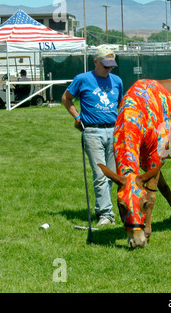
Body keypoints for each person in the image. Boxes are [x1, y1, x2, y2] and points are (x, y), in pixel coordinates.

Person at [61, 46, 123, 226]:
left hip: (113, 131)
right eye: (105, 65)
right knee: (100, 174)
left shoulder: (117, 81)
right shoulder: (83, 79)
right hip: (92, 132)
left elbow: (120, 104)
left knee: (111, 175)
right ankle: (106, 214)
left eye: (111, 65)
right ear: (95, 61)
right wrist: (77, 117)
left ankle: (103, 208)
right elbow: (66, 98)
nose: (109, 68)